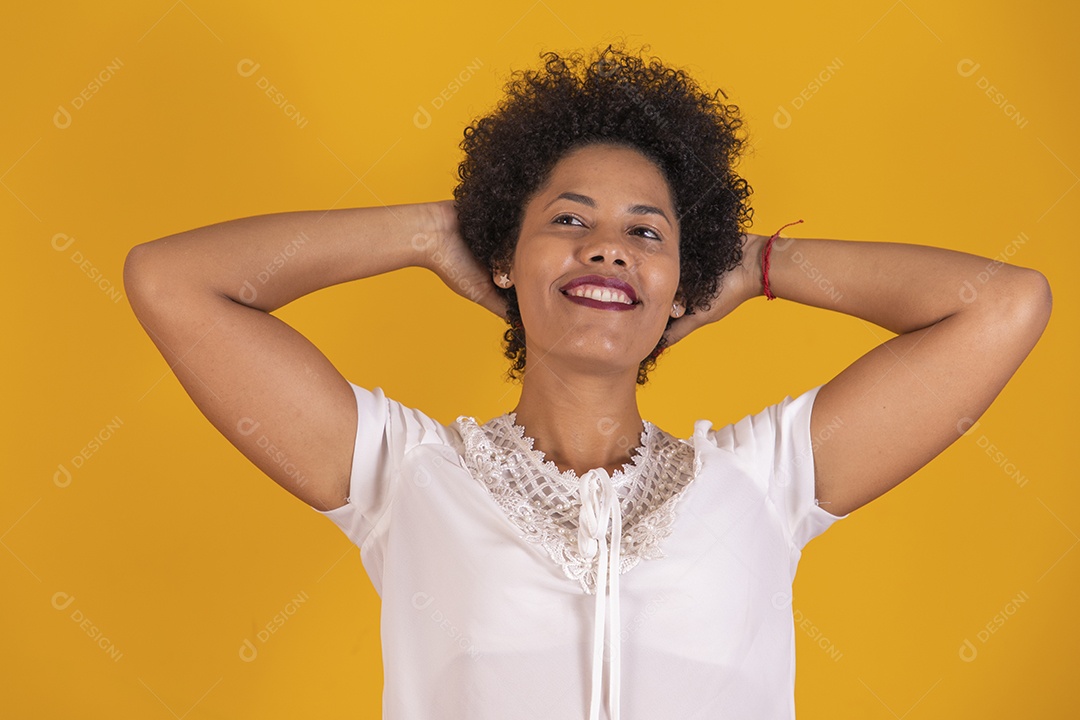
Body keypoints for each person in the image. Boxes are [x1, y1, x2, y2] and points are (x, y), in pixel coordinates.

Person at [123, 44, 1051, 720]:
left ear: (685, 281)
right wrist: (423, 234)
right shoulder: (405, 480)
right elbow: (170, 283)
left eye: (647, 231)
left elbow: (1004, 306)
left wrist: (759, 263)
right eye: (569, 220)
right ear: (502, 256)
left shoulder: (768, 484)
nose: (607, 243)